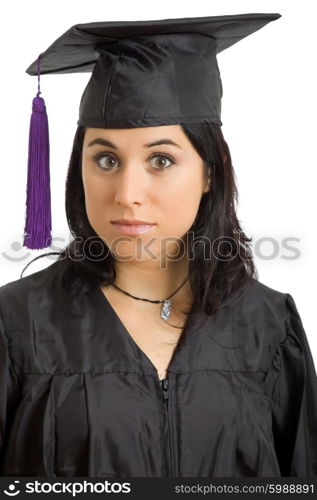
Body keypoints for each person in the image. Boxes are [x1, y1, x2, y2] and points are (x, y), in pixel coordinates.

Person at [0, 13, 316, 478]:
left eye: (161, 159)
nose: (127, 192)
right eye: (105, 158)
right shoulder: (17, 324)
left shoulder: (267, 327)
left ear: (211, 171)